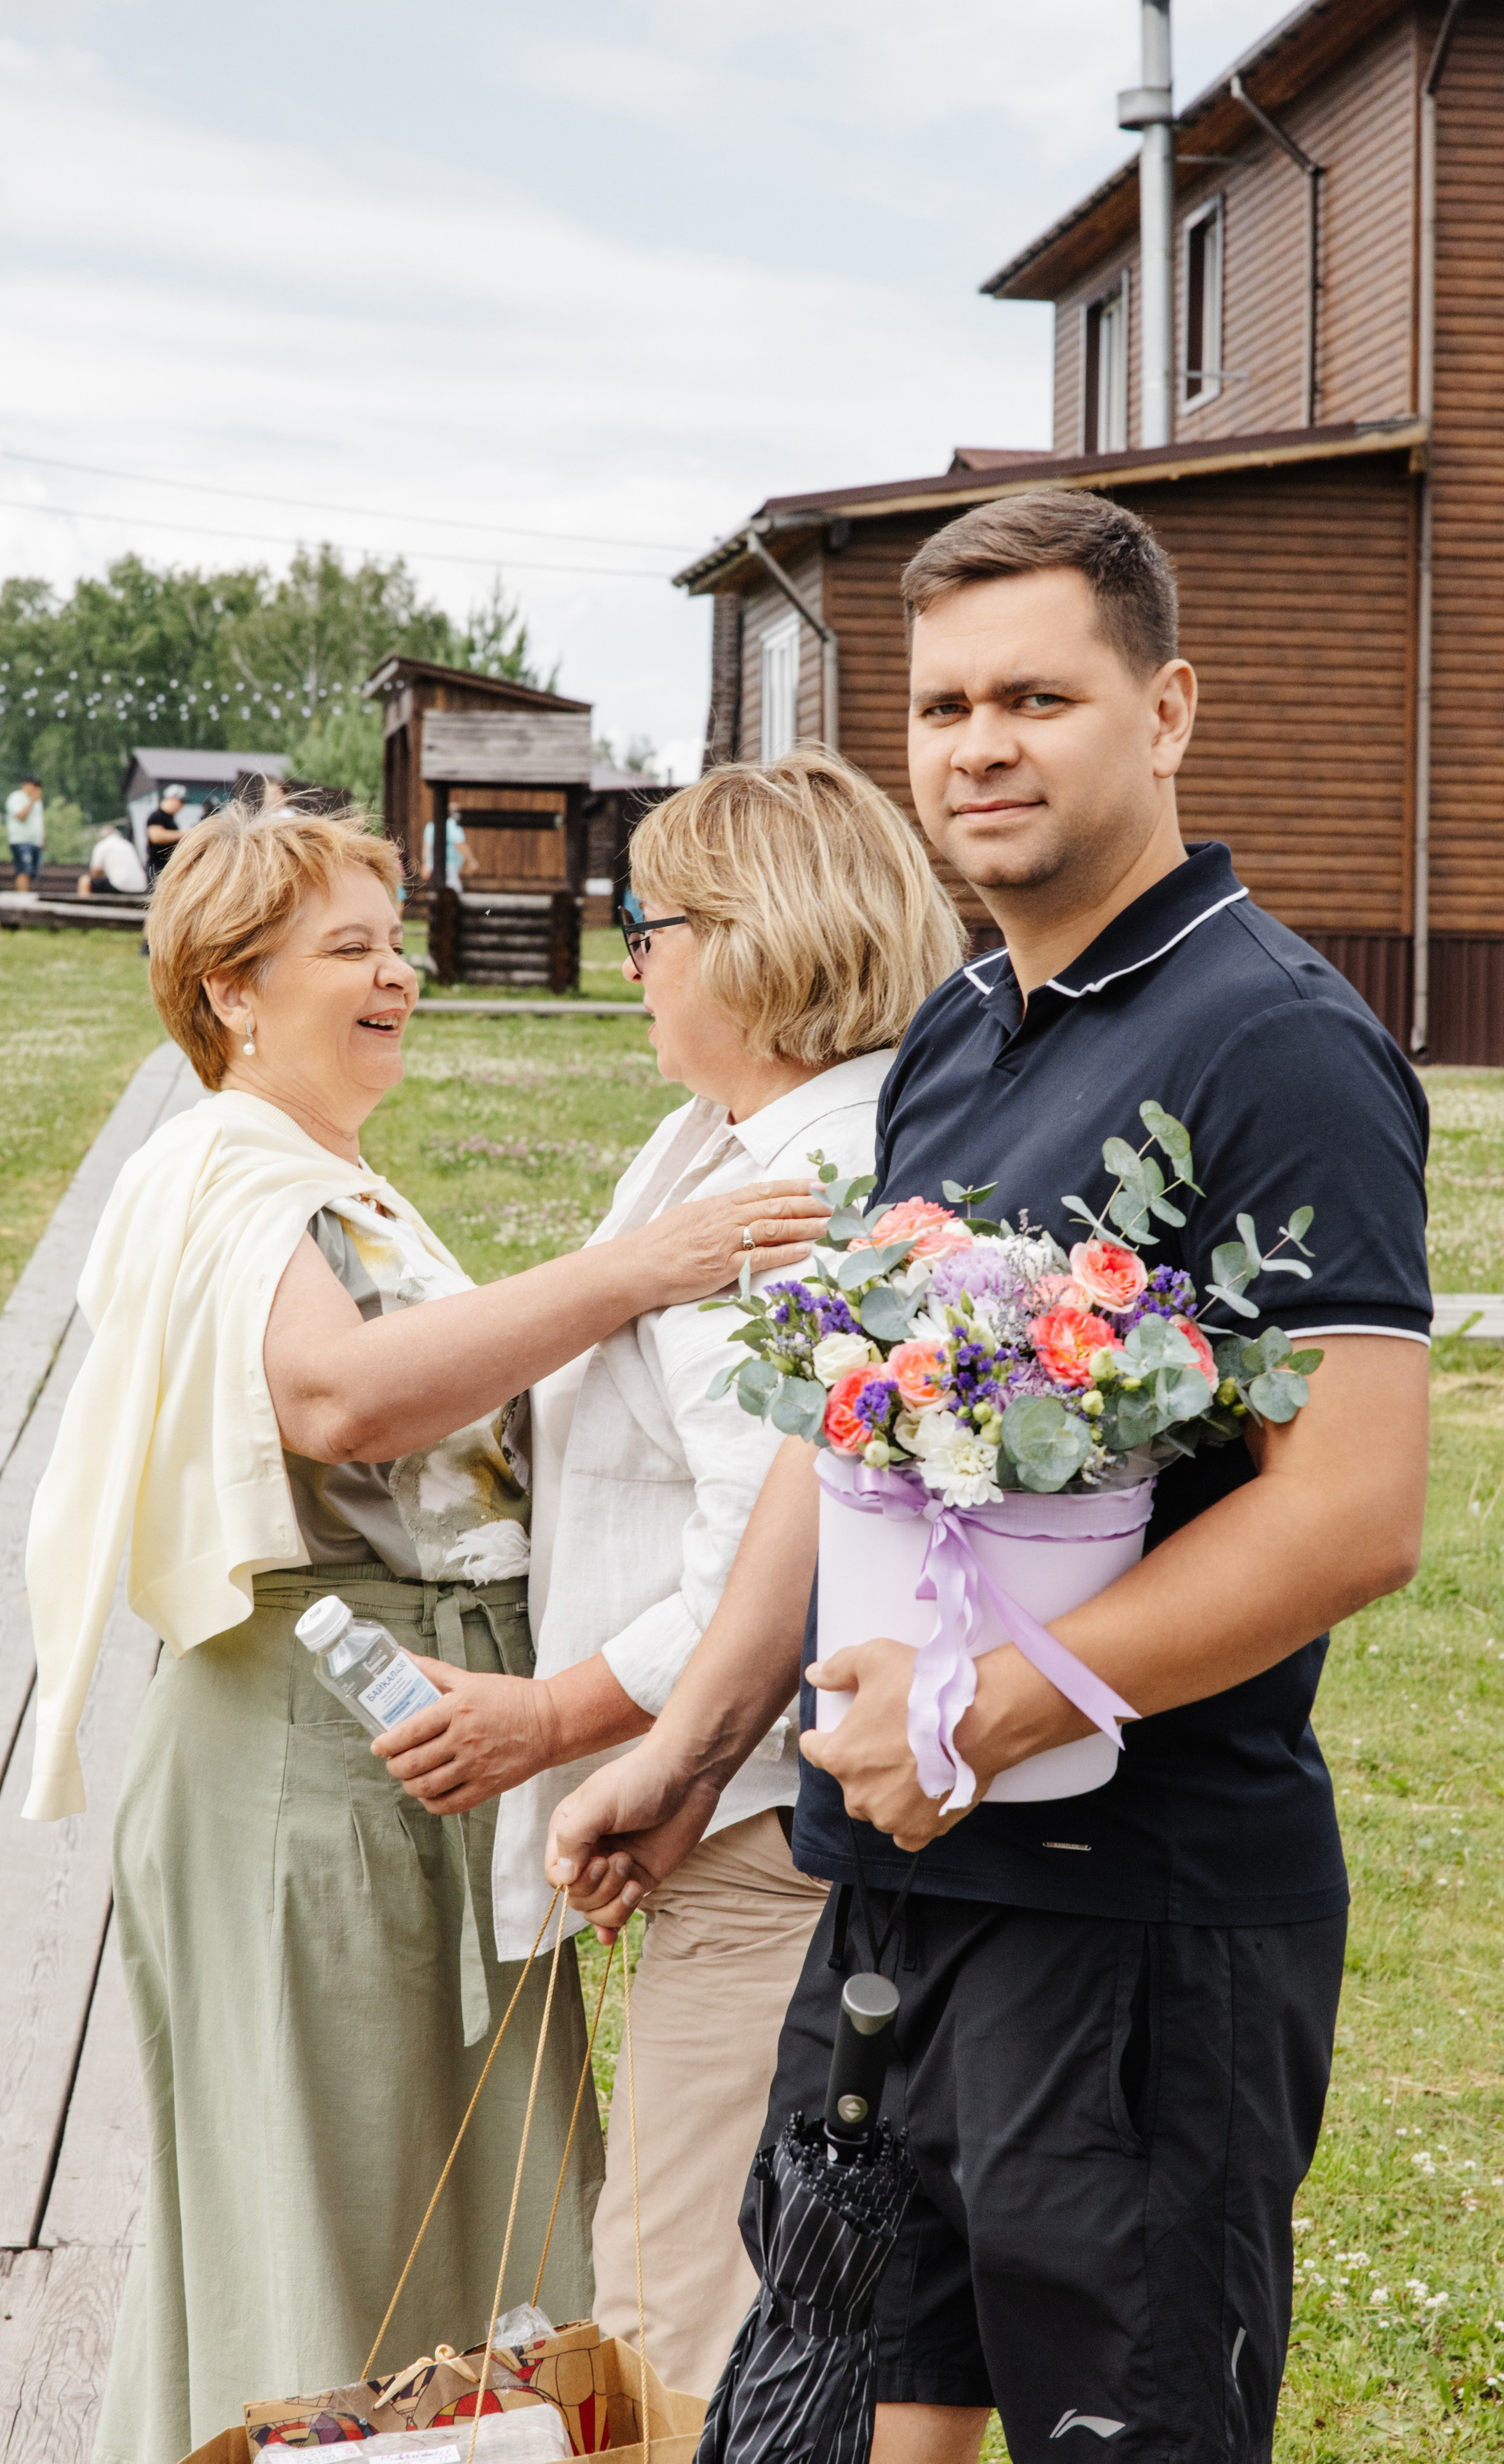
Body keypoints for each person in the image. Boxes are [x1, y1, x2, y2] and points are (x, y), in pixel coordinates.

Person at [548, 493, 1431, 2464]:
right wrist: (696, 1740)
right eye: (944, 704)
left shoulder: (1275, 1038)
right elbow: (839, 1421)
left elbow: (1353, 1503)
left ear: (1167, 705)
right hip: (893, 1897)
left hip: (1142, 1923)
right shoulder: (956, 1029)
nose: (978, 743)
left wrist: (990, 1702)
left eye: (1037, 692)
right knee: (864, 2423)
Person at [21, 795, 826, 2464]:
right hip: (317, 1757)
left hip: (427, 1762)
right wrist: (642, 1270)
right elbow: (336, 1398)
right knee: (336, 2233)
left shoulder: (339, 1184)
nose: (398, 977)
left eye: (399, 945)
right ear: (230, 990)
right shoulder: (222, 1165)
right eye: (347, 951)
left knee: (451, 2226)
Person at [375, 748, 964, 2398]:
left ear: (753, 936)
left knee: (678, 2323)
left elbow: (756, 1552)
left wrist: (554, 1718)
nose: (628, 961)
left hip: (755, 1816)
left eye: (646, 927)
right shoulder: (743, 1136)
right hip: (735, 1799)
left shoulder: (789, 1188)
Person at [78, 819, 148, 897]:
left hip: (120, 886)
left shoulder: (102, 845)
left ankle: (84, 907)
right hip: (140, 886)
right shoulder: (127, 845)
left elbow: (95, 872)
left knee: (84, 881)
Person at [6, 773, 47, 891]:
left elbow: (39, 822)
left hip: (35, 842)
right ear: (26, 785)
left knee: (33, 873)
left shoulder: (38, 803)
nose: (36, 789)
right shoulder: (16, 797)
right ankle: (22, 901)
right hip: (21, 841)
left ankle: (28, 898)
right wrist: (32, 801)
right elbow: (21, 816)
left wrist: (42, 838)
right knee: (24, 871)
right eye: (34, 785)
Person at [422, 807, 478, 889]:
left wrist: (426, 864)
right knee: (454, 890)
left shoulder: (431, 826)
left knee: (436, 890)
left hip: (434, 865)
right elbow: (459, 844)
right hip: (450, 866)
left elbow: (426, 847)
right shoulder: (453, 825)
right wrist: (471, 860)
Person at [144, 782, 188, 875]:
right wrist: (183, 834)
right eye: (181, 802)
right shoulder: (157, 816)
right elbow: (156, 837)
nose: (182, 806)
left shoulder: (170, 819)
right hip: (157, 867)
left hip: (167, 867)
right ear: (171, 799)